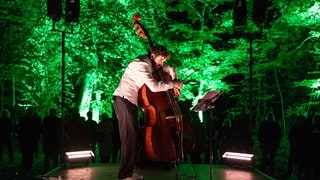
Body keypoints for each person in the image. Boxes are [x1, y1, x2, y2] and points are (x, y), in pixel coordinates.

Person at [113, 45, 183, 180]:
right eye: (161, 59)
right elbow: (154, 87)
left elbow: (170, 69)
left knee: (135, 138)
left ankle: (128, 172)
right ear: (152, 56)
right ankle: (124, 175)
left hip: (130, 103)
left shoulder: (152, 64)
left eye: (163, 60)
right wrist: (173, 84)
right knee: (130, 138)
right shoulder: (140, 64)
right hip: (123, 100)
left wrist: (174, 78)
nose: (162, 63)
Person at [257, 110, 282, 176]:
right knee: (265, 156)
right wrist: (261, 141)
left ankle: (270, 170)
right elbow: (259, 133)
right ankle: (263, 169)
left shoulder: (275, 124)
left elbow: (279, 134)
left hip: (271, 143)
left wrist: (277, 142)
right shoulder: (264, 124)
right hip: (266, 143)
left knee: (271, 157)